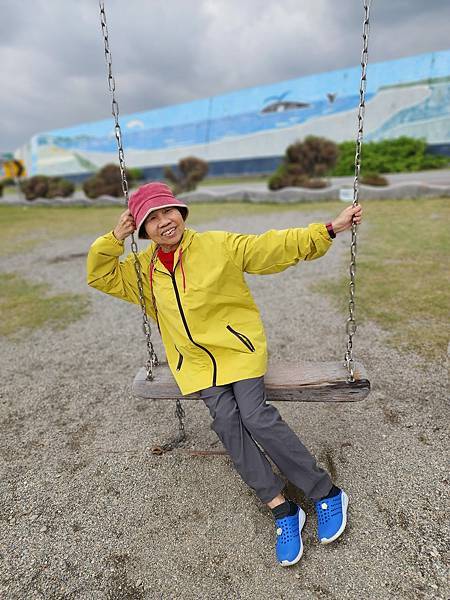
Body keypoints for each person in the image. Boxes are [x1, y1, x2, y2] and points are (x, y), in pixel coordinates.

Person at [86, 182, 363, 567]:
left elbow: (271, 247)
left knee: (256, 417)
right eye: (152, 218)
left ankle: (326, 492)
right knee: (227, 423)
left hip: (238, 351)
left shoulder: (217, 245)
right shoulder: (141, 270)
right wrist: (114, 238)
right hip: (196, 365)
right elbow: (99, 275)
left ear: (181, 213)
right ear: (141, 228)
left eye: (169, 211)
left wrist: (329, 229)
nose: (164, 222)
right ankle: (283, 509)